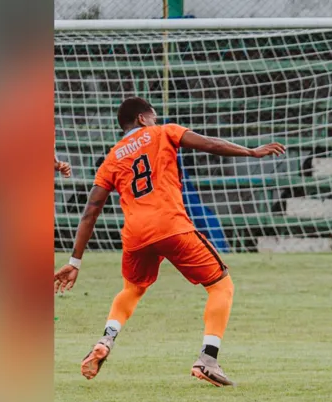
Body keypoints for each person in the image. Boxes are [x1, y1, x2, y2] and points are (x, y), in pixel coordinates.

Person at [53, 97, 285, 386]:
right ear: (141, 118)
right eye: (152, 116)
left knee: (133, 289)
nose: (155, 119)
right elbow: (210, 144)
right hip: (171, 226)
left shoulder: (111, 159)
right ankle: (207, 359)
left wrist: (75, 261)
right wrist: (251, 152)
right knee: (220, 285)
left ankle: (106, 339)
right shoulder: (163, 132)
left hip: (136, 235)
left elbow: (90, 210)